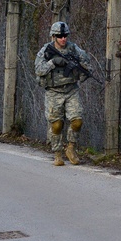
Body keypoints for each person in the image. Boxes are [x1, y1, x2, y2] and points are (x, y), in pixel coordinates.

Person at [34, 21, 91, 166]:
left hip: (71, 89)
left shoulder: (73, 48)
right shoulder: (46, 50)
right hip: (54, 92)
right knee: (57, 125)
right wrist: (53, 62)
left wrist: (83, 69)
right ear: (53, 37)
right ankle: (57, 153)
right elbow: (39, 70)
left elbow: (85, 61)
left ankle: (71, 148)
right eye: (60, 36)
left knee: (77, 121)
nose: (63, 39)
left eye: (65, 35)